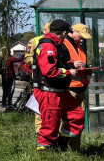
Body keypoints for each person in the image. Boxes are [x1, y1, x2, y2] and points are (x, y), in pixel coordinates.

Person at [32, 20, 87, 151]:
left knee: (77, 116)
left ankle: (61, 144)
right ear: (62, 33)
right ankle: (46, 156)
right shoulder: (48, 46)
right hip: (49, 91)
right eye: (66, 33)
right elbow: (49, 71)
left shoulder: (56, 45)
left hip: (60, 90)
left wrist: (72, 65)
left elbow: (57, 65)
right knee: (50, 126)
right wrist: (69, 72)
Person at [60, 23, 93, 149]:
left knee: (79, 121)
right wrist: (72, 66)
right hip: (69, 89)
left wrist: (88, 69)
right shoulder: (63, 44)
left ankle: (74, 148)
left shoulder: (80, 47)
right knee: (67, 119)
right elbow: (58, 65)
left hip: (81, 88)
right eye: (81, 36)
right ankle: (61, 146)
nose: (83, 39)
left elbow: (82, 64)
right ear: (73, 31)